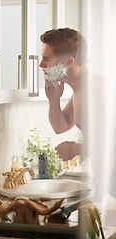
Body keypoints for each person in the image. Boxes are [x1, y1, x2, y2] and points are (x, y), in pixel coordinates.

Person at [39, 28, 88, 162]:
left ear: (68, 62)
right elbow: (61, 127)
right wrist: (53, 100)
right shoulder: (80, 89)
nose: (40, 65)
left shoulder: (92, 91)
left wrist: (75, 150)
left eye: (47, 59)